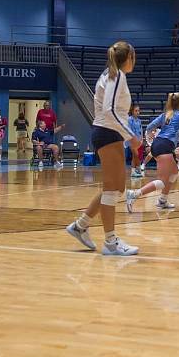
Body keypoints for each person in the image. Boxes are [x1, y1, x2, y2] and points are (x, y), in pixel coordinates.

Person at [65, 40, 142, 256]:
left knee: (116, 187)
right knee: (112, 188)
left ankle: (80, 226)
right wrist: (131, 137)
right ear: (128, 58)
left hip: (110, 133)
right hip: (107, 132)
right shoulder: (116, 76)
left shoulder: (112, 75)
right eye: (133, 57)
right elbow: (108, 111)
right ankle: (110, 241)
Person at [127, 93, 179, 210]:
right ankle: (134, 194)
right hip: (165, 146)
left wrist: (151, 135)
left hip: (159, 144)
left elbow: (149, 127)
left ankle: (162, 200)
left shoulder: (166, 114)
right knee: (162, 180)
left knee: (173, 173)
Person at [127, 104, 143, 177]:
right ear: (132, 111)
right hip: (131, 140)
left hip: (138, 141)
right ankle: (137, 169)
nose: (138, 112)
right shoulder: (129, 119)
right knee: (136, 154)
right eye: (136, 111)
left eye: (138, 111)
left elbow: (141, 130)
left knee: (136, 156)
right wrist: (133, 139)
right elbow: (129, 130)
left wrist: (141, 139)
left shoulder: (139, 121)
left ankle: (135, 171)